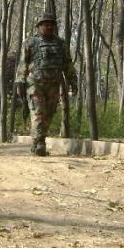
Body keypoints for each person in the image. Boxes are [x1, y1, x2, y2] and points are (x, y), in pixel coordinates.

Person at [15, 13, 77, 156]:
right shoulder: (30, 43)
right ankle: (39, 144)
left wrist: (72, 80)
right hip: (35, 85)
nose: (49, 27)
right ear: (39, 27)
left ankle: (39, 141)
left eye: (51, 24)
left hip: (54, 85)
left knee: (49, 114)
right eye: (45, 24)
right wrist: (20, 81)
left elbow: (67, 63)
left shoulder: (60, 44)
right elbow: (23, 63)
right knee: (38, 113)